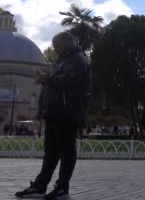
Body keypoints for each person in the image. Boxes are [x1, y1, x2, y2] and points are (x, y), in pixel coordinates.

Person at [15, 32, 91, 200]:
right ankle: (40, 186)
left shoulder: (78, 60)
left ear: (67, 43)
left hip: (66, 114)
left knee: (66, 152)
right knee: (51, 153)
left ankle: (62, 188)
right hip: (55, 114)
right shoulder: (63, 60)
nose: (55, 49)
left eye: (57, 46)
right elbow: (53, 85)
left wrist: (47, 78)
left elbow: (70, 82)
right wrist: (43, 109)